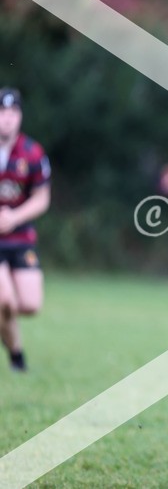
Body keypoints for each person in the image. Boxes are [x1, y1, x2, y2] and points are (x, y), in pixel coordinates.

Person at [0, 87, 51, 372]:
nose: (6, 119)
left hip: (21, 238)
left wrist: (15, 216)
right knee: (5, 300)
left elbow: (42, 199)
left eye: (12, 113)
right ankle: (17, 357)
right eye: (2, 112)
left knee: (30, 305)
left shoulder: (32, 152)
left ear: (19, 117)